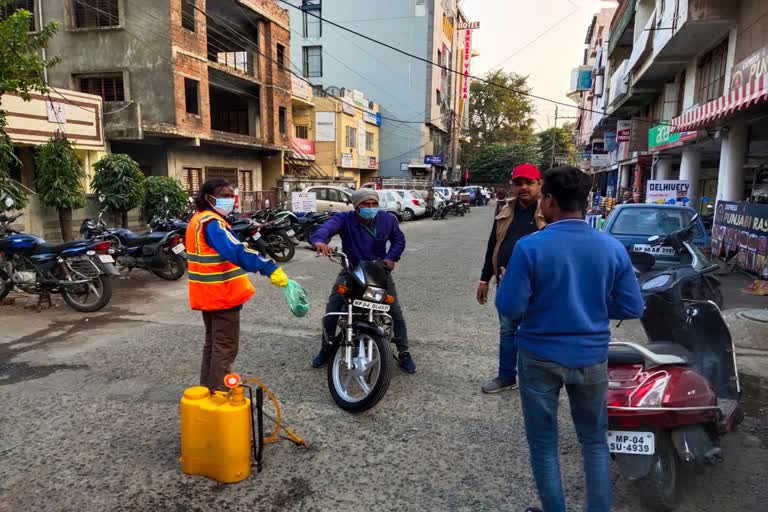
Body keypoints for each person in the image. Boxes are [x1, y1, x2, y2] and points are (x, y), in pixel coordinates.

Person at [495, 166, 644, 512]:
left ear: (548, 199)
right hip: (591, 356)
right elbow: (631, 305)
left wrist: (511, 283)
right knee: (593, 441)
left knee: (544, 443)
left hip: (538, 355)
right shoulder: (611, 247)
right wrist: (591, 303)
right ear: (586, 200)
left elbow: (511, 307)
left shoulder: (530, 247)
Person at [186, 178, 291, 392]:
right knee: (225, 347)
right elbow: (235, 250)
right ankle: (220, 394)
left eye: (230, 195)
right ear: (209, 198)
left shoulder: (199, 219)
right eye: (224, 196)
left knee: (213, 345)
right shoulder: (212, 223)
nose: (229, 200)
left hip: (208, 296)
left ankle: (208, 390)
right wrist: (268, 267)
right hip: (223, 295)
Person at [310, 189, 415, 373]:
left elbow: (399, 240)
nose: (370, 208)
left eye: (374, 204)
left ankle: (404, 351)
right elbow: (325, 229)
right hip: (351, 271)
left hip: (379, 271)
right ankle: (326, 348)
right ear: (356, 206)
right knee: (332, 309)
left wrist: (391, 257)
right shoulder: (344, 218)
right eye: (365, 204)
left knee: (394, 311)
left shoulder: (387, 220)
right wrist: (319, 241)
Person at [477, 163, 546, 394]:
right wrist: (485, 279)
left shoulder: (549, 211)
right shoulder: (504, 209)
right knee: (508, 331)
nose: (524, 187)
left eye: (529, 182)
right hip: (507, 282)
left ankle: (536, 380)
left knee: (537, 330)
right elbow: (493, 245)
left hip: (540, 285)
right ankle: (507, 376)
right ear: (513, 186)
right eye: (519, 183)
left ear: (539, 184)